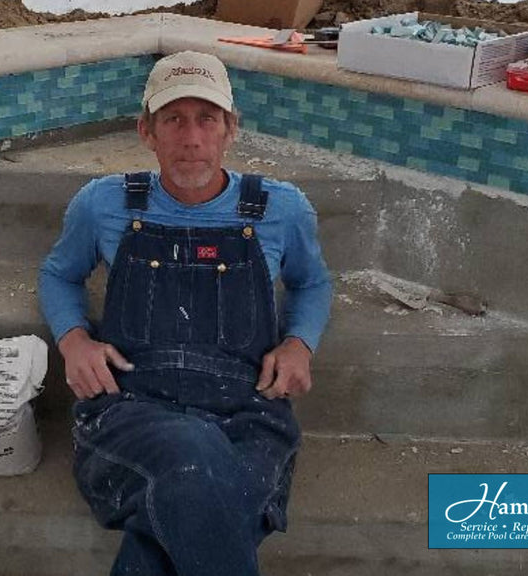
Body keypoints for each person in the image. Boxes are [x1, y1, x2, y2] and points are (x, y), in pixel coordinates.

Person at [38, 50, 332, 576]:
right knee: (192, 456)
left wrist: (300, 342)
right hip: (128, 407)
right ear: (147, 132)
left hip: (248, 412)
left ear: (230, 130)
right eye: (173, 120)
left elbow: (312, 282)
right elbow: (59, 273)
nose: (191, 138)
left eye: (206, 119)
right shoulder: (104, 203)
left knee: (176, 521)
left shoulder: (281, 209)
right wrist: (73, 341)